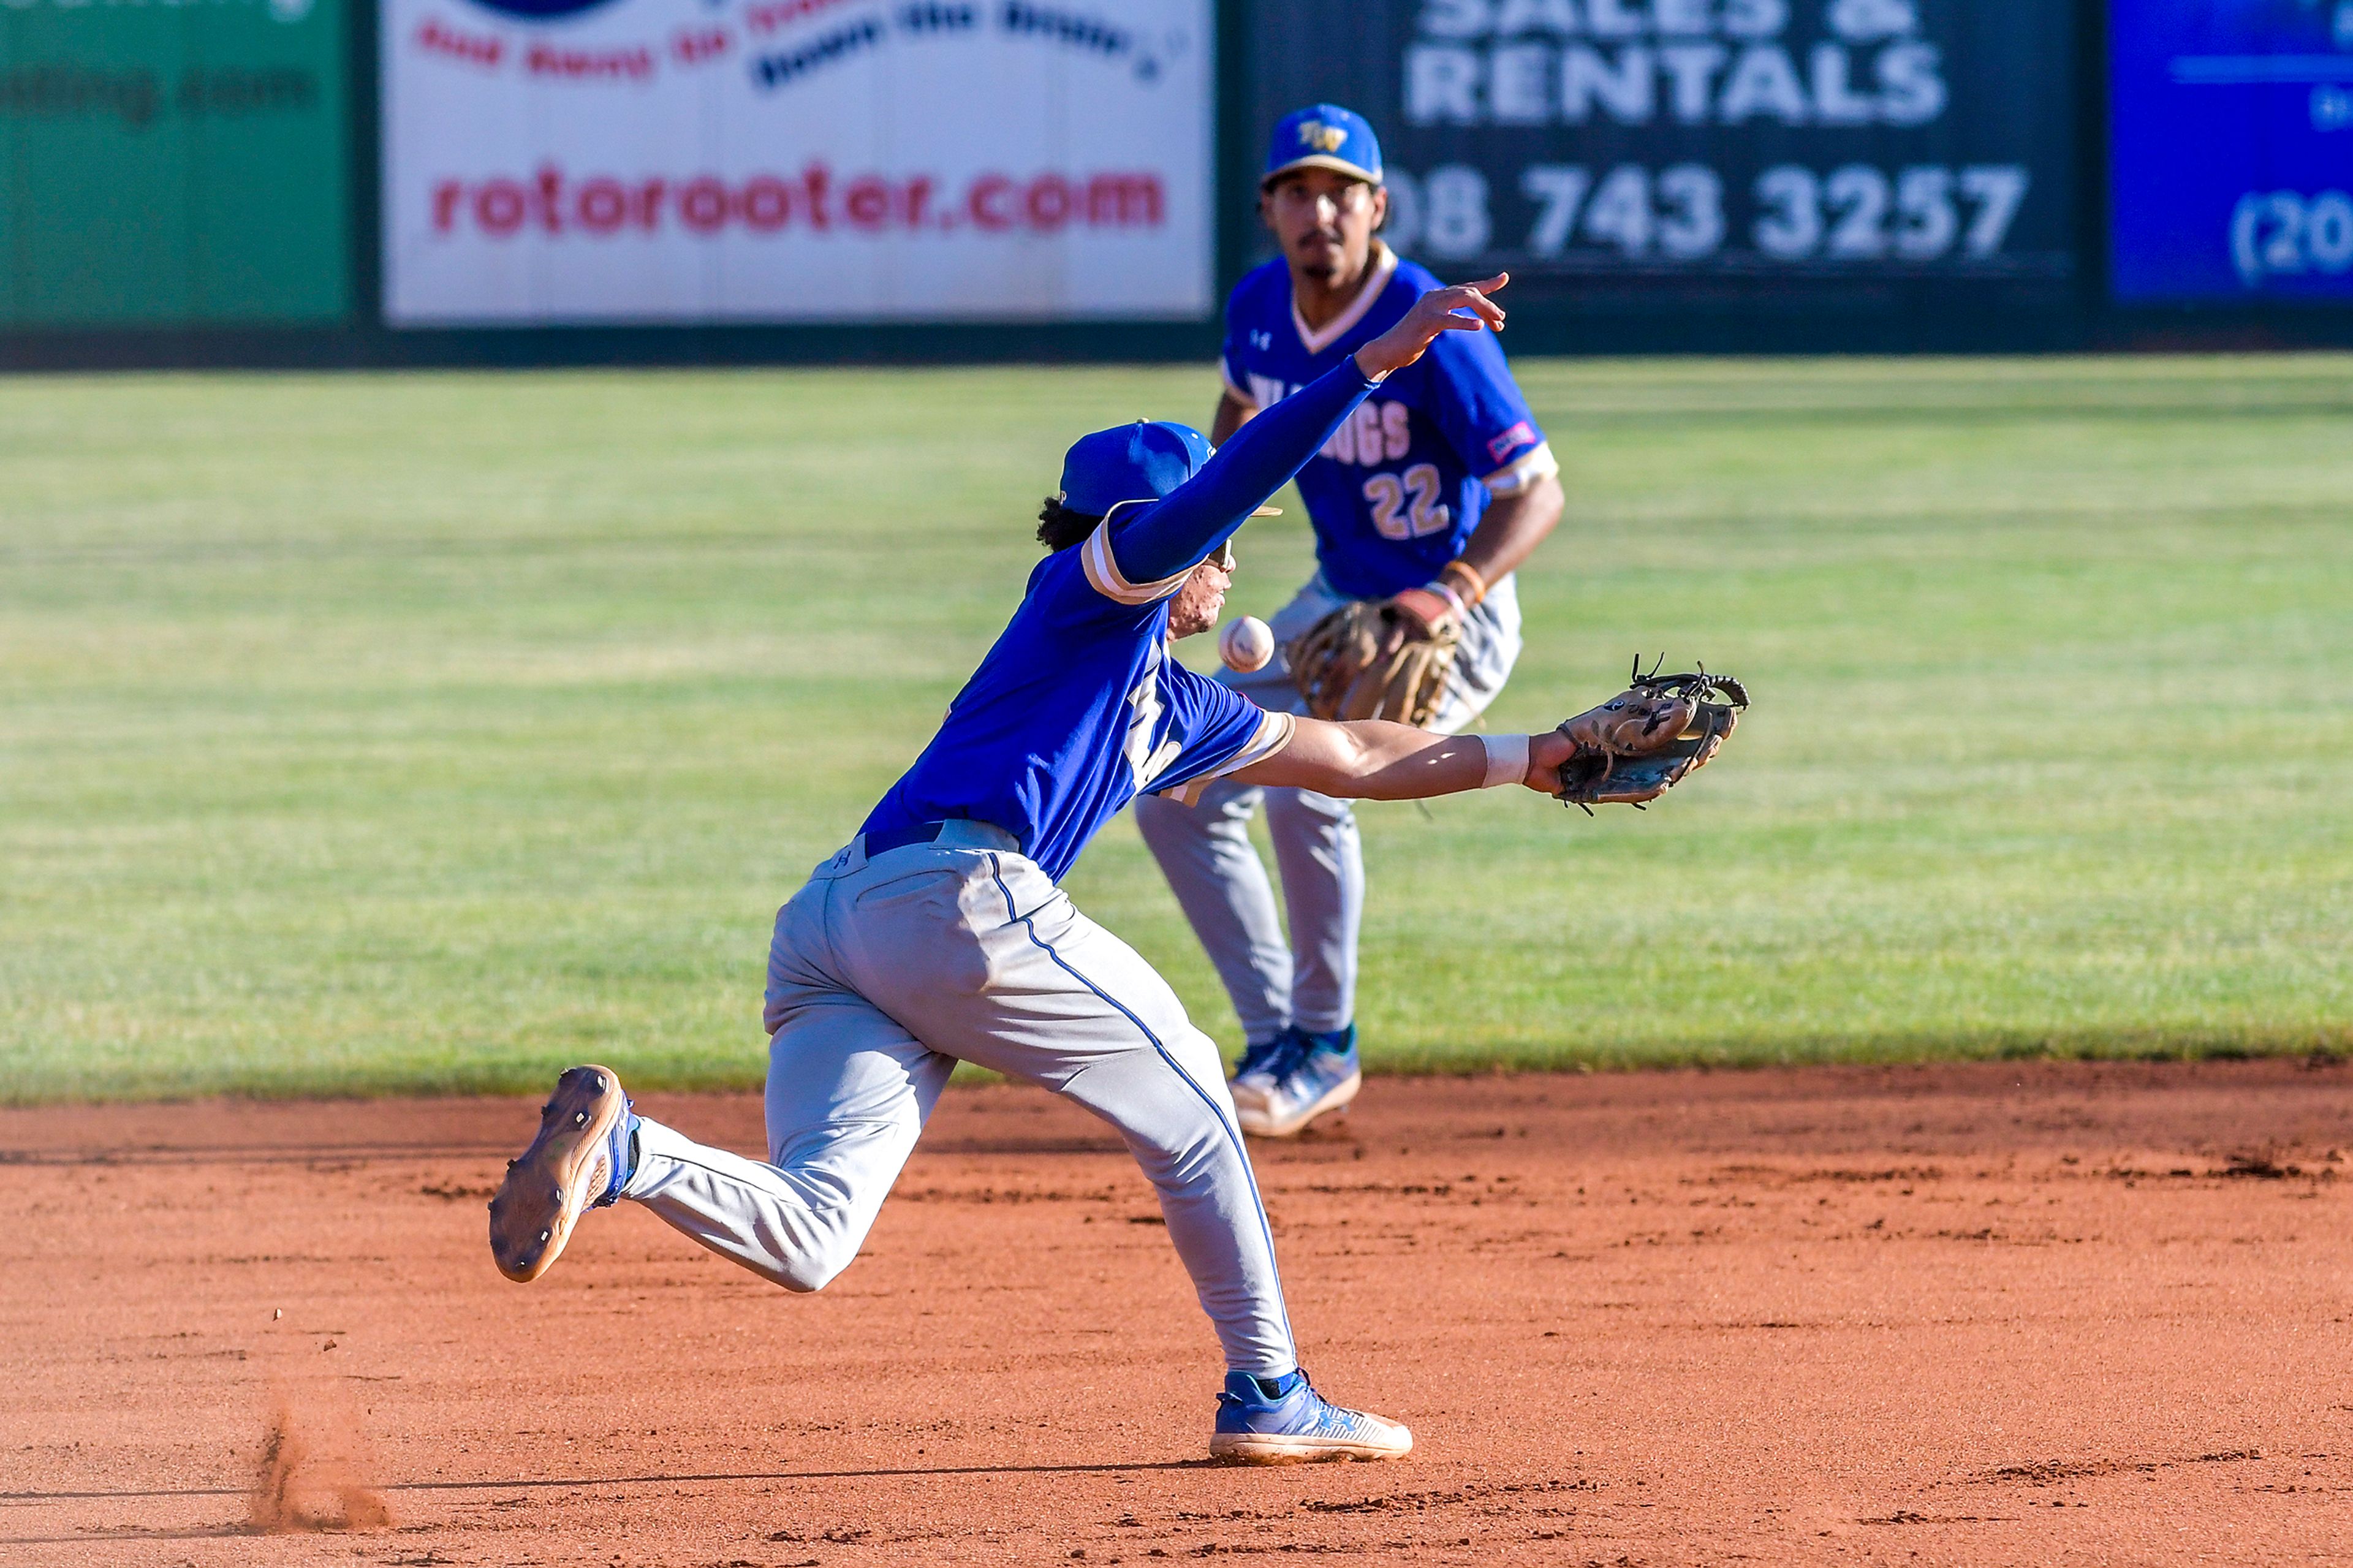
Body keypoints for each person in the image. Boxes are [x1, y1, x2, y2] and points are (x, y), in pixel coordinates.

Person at [488, 276, 1584, 1465]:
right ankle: (1269, 1387)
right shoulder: (1098, 587)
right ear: (1176, 532)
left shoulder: (1170, 701)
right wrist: (1371, 361)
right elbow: (1231, 478)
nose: (1229, 566)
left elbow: (1359, 756)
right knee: (1202, 1111)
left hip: (838, 921)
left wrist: (1544, 757)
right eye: (1221, 545)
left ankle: (630, 1150)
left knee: (813, 1231)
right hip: (962, 905)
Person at [1132, 105, 1566, 1141]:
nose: (1318, 209)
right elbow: (1239, 419)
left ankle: (1325, 1045)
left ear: (1377, 208)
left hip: (1447, 614)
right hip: (1335, 602)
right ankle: (1277, 1035)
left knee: (1309, 784)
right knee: (1173, 786)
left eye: (1341, 191)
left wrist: (1446, 593)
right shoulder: (1258, 307)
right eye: (1298, 190)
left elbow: (1537, 493)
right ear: (1271, 209)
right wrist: (1203, 532)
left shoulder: (1426, 320)